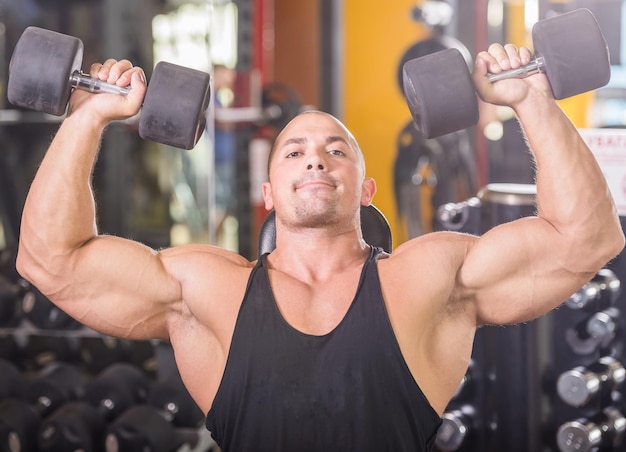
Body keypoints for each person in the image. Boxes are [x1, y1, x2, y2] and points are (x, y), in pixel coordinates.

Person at [14, 42, 625, 452]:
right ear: (269, 191)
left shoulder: (429, 278)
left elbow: (585, 240)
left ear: (365, 188)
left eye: (336, 149)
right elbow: (51, 261)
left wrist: (533, 98)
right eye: (294, 149)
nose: (314, 156)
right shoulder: (207, 290)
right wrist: (88, 117)